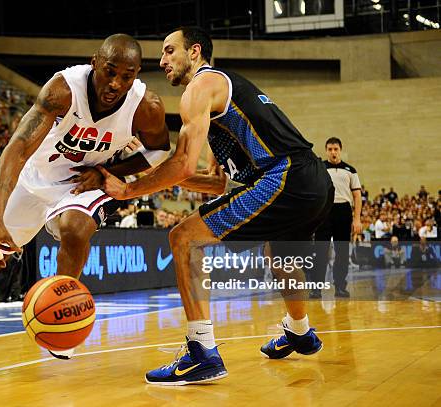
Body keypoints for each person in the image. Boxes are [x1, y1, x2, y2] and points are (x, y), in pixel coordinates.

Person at [89, 27, 333, 385]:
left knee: (184, 239)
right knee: (278, 257)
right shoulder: (224, 102)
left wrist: (128, 190)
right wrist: (155, 168)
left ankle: (201, 351)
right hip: (312, 182)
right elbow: (214, 182)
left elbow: (183, 164)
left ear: (195, 51)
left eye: (170, 51)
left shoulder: (201, 87)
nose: (162, 60)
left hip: (285, 176)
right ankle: (299, 331)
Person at [0, 33, 170, 376]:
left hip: (80, 184)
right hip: (34, 179)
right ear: (94, 62)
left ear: (137, 73)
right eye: (109, 71)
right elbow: (16, 150)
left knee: (75, 226)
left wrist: (107, 173)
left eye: (126, 76)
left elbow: (159, 151)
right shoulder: (62, 90)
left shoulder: (147, 106)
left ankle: (62, 312)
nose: (115, 83)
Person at [310, 137, 362, 298]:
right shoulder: (320, 168)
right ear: (326, 151)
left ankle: (340, 286)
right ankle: (316, 288)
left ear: (340, 150)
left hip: (343, 211)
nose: (333, 152)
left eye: (336, 149)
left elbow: (357, 196)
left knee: (342, 252)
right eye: (330, 149)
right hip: (325, 211)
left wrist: (357, 219)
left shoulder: (350, 170)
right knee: (320, 251)